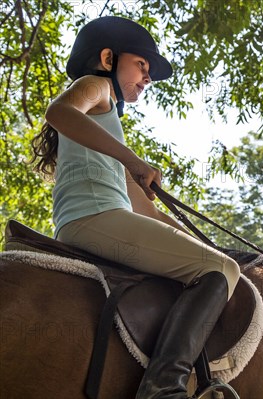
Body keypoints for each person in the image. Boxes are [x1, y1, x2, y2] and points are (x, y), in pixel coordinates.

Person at [30, 16, 240, 399]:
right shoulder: (94, 87)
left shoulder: (106, 128)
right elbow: (58, 113)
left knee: (219, 260)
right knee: (220, 269)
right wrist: (134, 160)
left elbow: (147, 212)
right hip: (94, 219)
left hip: (104, 218)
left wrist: (207, 241)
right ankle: (163, 389)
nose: (147, 78)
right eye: (142, 65)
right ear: (108, 58)